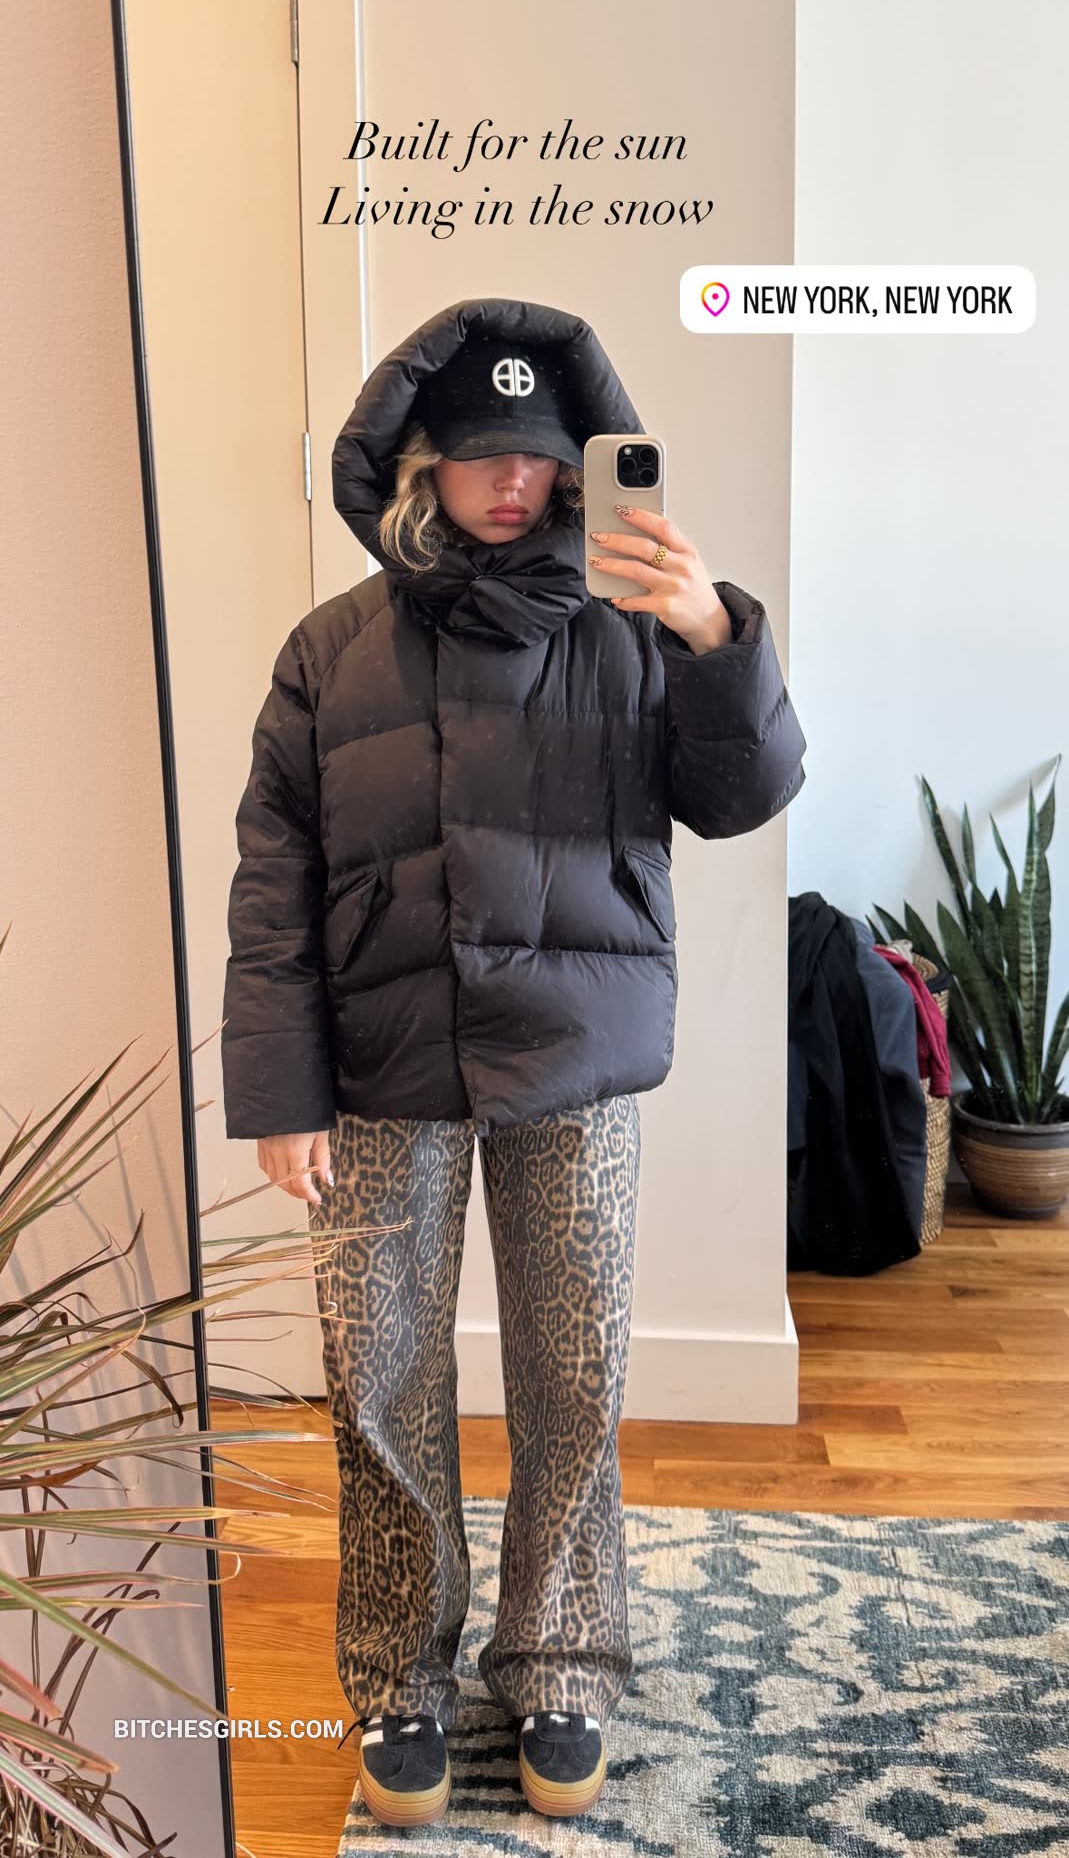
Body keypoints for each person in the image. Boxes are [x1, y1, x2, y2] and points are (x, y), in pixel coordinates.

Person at [220, 296, 807, 1827]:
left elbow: (741, 799)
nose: (510, 483)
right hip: (376, 1064)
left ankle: (560, 1660)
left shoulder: (635, 626)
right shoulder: (328, 651)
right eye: (479, 454)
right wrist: (278, 1089)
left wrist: (713, 636)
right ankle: (398, 1677)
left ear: (577, 464)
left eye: (537, 456)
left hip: (575, 1060)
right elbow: (274, 880)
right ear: (417, 459)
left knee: (573, 1375)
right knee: (377, 1384)